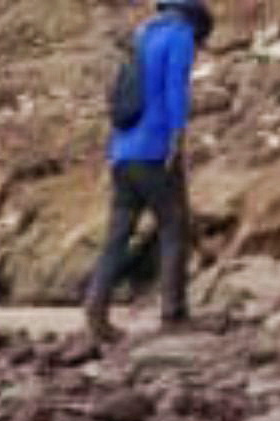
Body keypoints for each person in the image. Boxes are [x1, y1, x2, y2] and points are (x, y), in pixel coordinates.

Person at [85, 1, 213, 351]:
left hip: (122, 152)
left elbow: (122, 92)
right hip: (154, 149)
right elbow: (176, 89)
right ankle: (174, 314)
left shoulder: (143, 34)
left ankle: (96, 311)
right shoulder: (180, 35)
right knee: (174, 226)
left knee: (117, 234)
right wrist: (177, 136)